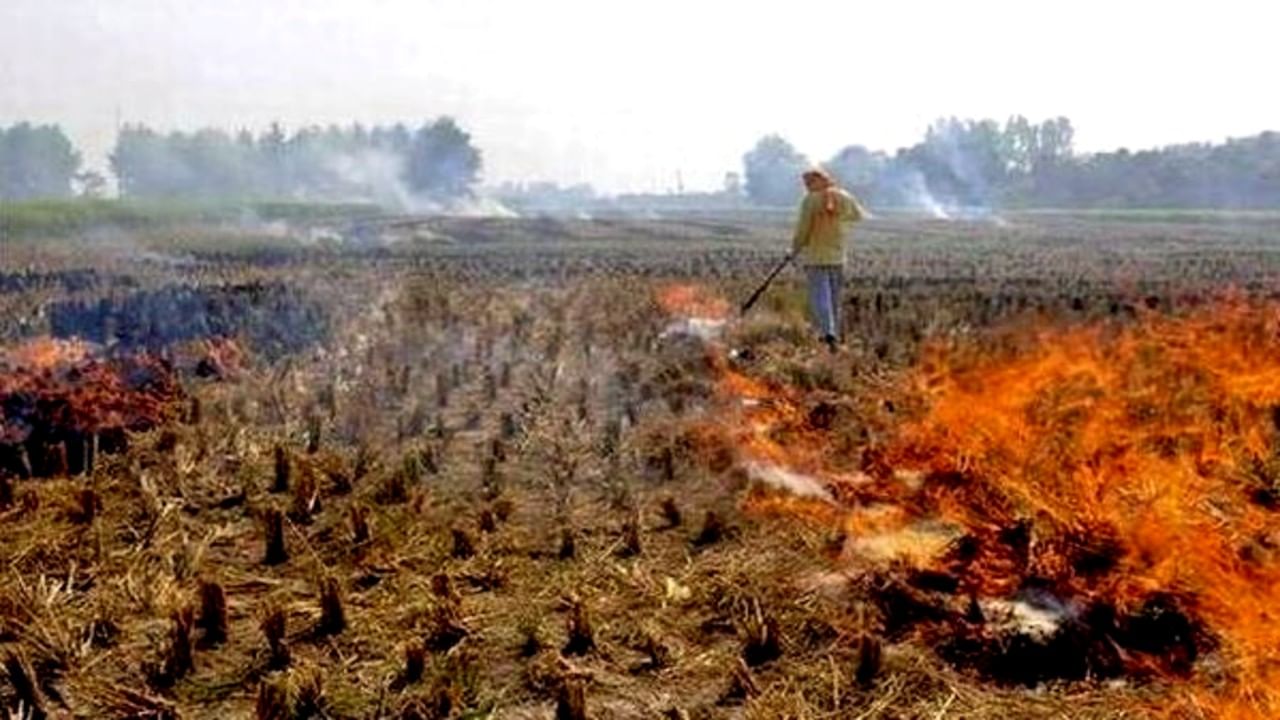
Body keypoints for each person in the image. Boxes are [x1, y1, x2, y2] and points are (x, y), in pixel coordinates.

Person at [791, 168, 866, 352]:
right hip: (838, 257)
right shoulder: (844, 196)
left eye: (808, 183)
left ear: (817, 181)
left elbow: (803, 229)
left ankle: (827, 334)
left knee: (820, 298)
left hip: (816, 257)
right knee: (834, 299)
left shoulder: (810, 200)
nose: (806, 187)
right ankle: (834, 336)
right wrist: (839, 221)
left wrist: (794, 249)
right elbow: (858, 216)